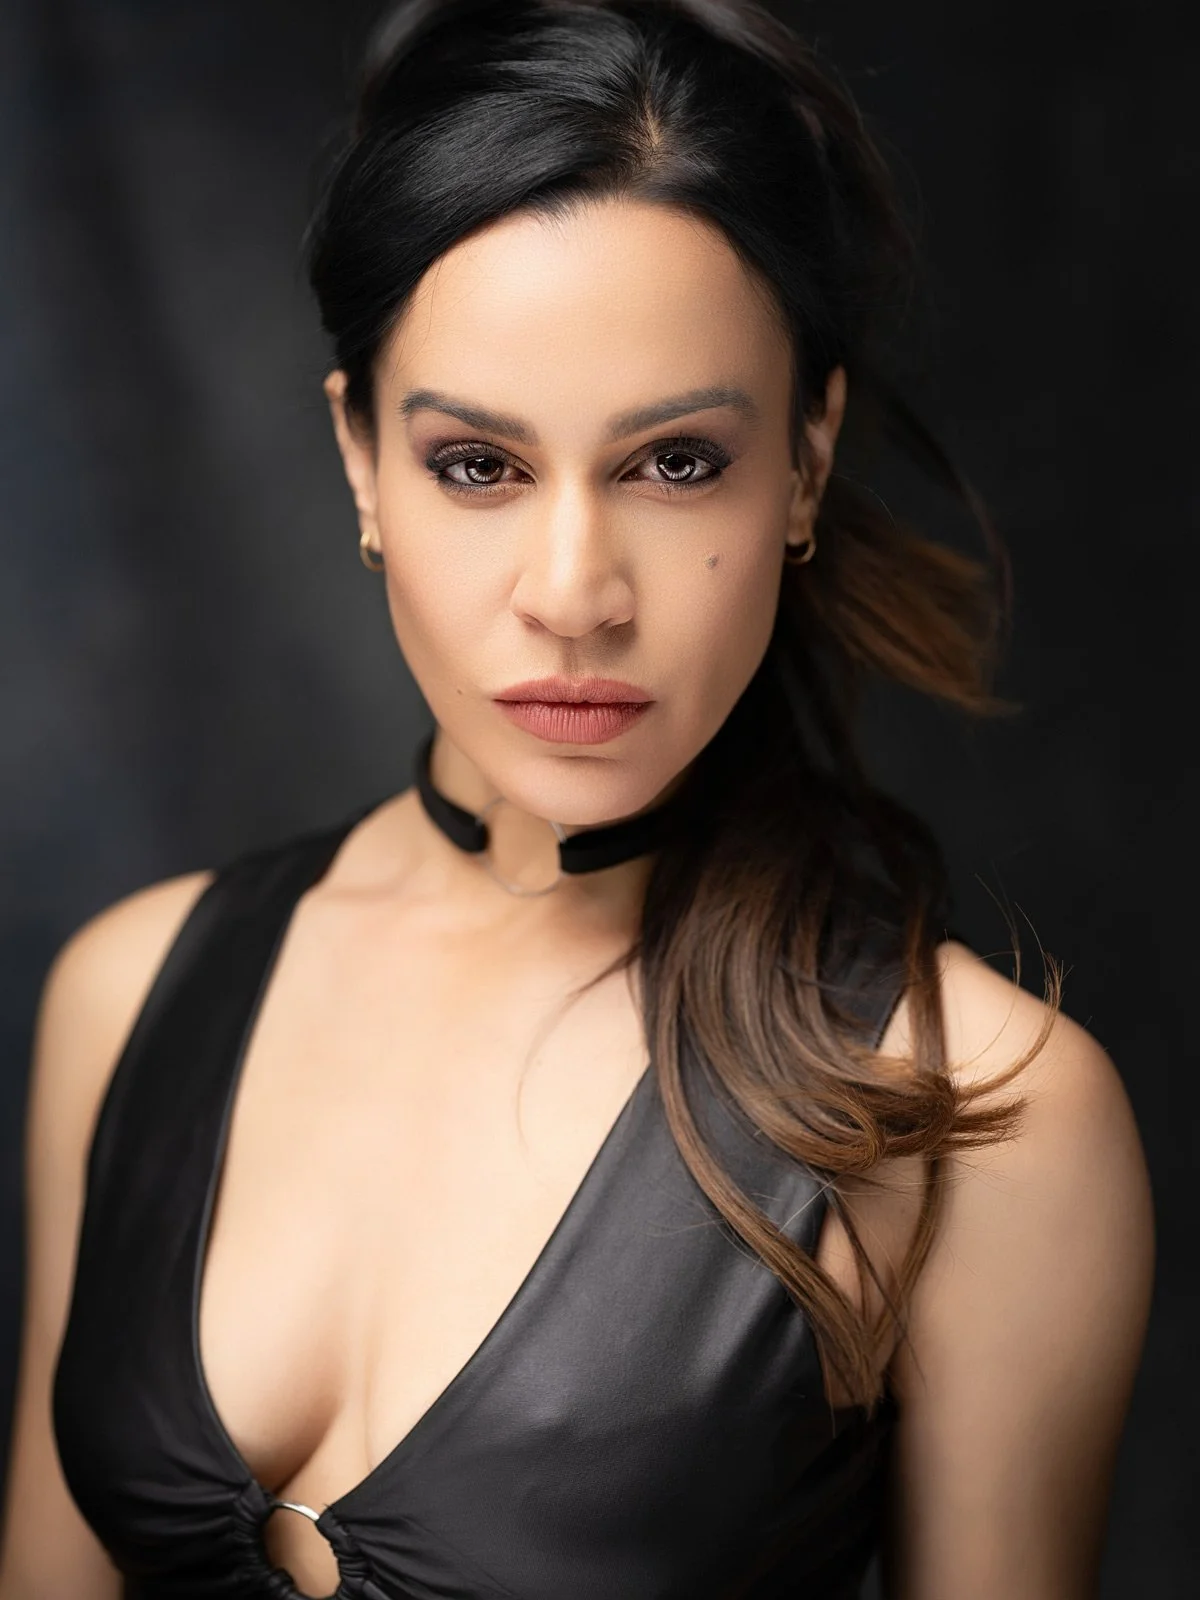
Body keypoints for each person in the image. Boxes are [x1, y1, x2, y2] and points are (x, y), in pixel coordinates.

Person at [0, 1, 1154, 1596]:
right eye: (477, 465)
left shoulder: (977, 1118)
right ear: (362, 461)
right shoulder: (127, 999)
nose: (573, 594)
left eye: (674, 463)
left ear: (806, 461)